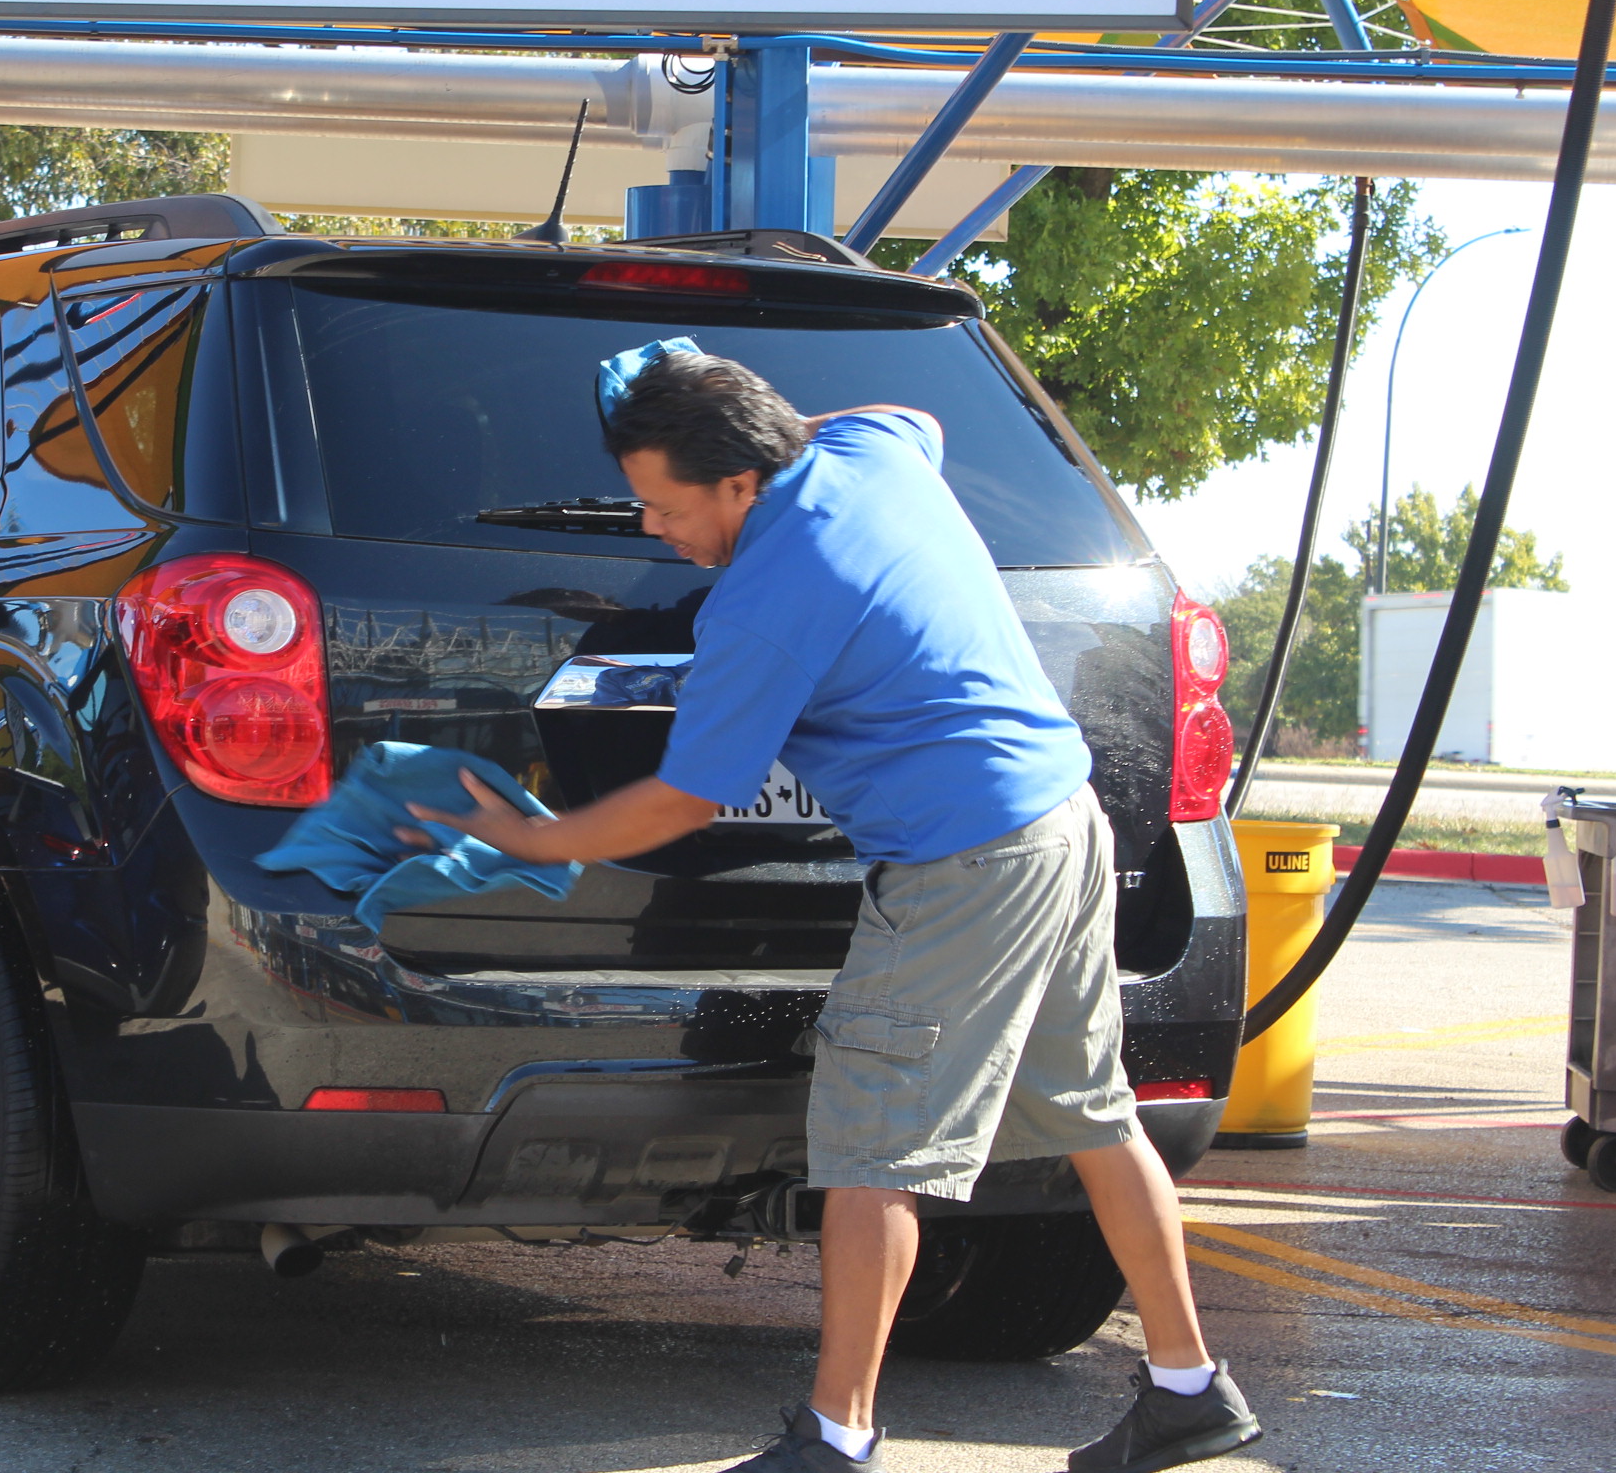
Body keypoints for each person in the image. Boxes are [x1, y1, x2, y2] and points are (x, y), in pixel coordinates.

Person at [405, 353, 1262, 1473]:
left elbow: (685, 797)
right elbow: (907, 410)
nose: (655, 531)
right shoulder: (867, 453)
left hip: (966, 865)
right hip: (1065, 823)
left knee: (873, 1154)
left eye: (668, 507)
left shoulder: (768, 599)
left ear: (743, 486)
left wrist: (528, 837)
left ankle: (837, 1439)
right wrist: (742, 412)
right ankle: (1189, 1390)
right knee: (1096, 1115)